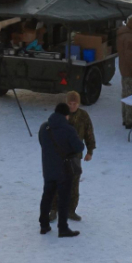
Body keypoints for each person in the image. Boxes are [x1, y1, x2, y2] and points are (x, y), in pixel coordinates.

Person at [38, 103, 83, 237]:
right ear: (66, 115)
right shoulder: (69, 130)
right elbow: (79, 147)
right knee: (64, 199)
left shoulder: (44, 128)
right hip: (64, 169)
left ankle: (44, 225)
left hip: (48, 168)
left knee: (47, 196)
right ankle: (63, 228)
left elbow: (42, 143)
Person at [60, 91, 94, 221]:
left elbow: (89, 133)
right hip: (60, 154)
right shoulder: (60, 115)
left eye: (75, 103)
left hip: (75, 156)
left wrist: (90, 151)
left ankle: (71, 210)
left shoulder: (83, 116)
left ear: (79, 104)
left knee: (74, 184)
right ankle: (54, 209)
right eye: (70, 103)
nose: (72, 106)